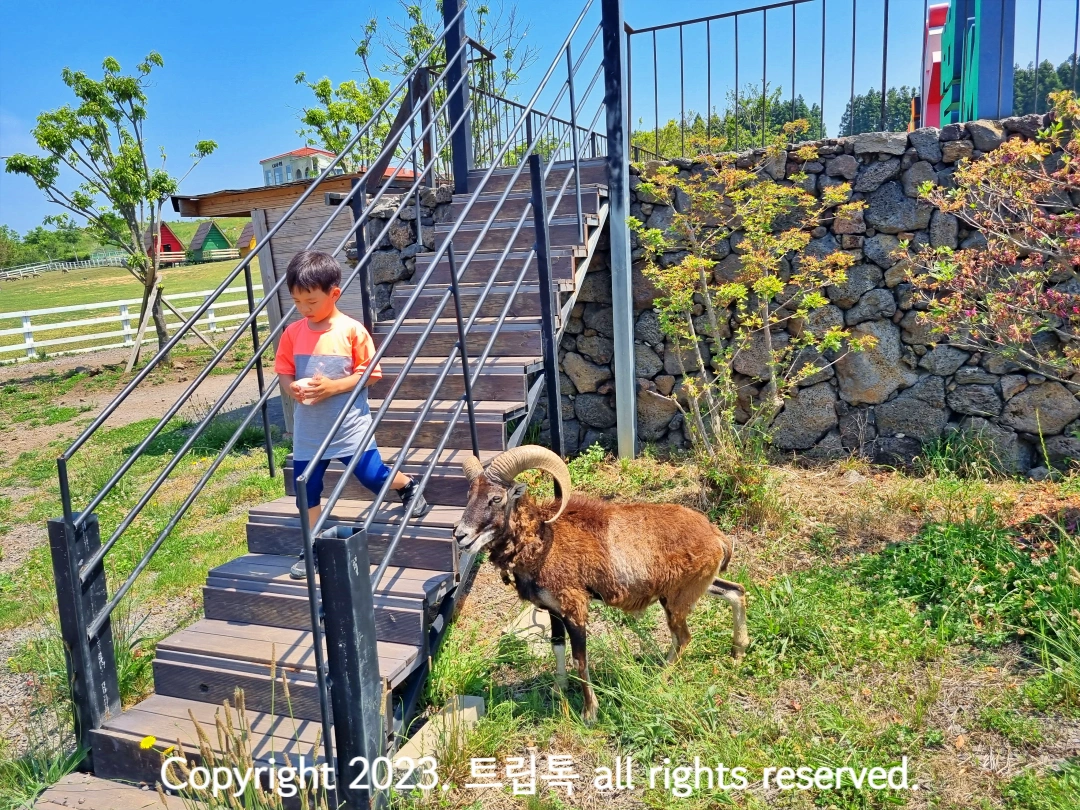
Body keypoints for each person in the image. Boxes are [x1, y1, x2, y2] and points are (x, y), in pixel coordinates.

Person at [275, 249, 430, 579]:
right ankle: (313, 543)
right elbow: (284, 371)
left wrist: (333, 387)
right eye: (297, 301)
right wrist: (292, 389)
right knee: (307, 487)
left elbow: (371, 373)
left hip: (349, 427)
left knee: (372, 477)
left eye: (311, 302)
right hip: (310, 430)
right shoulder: (292, 333)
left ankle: (408, 486)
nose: (304, 309)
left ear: (334, 294)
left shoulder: (352, 331)